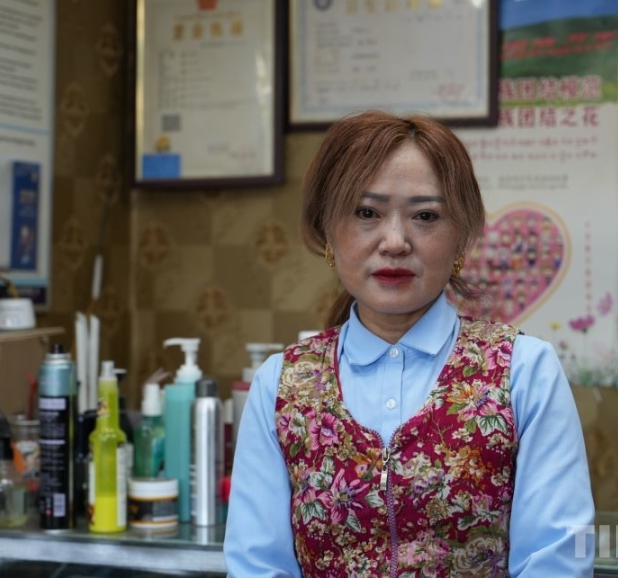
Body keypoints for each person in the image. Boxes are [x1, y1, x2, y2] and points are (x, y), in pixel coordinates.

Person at [224, 110, 594, 577]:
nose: (395, 241)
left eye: (425, 216)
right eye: (366, 213)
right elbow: (258, 566)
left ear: (461, 236)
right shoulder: (281, 386)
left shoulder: (524, 371)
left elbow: (558, 558)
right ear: (327, 230)